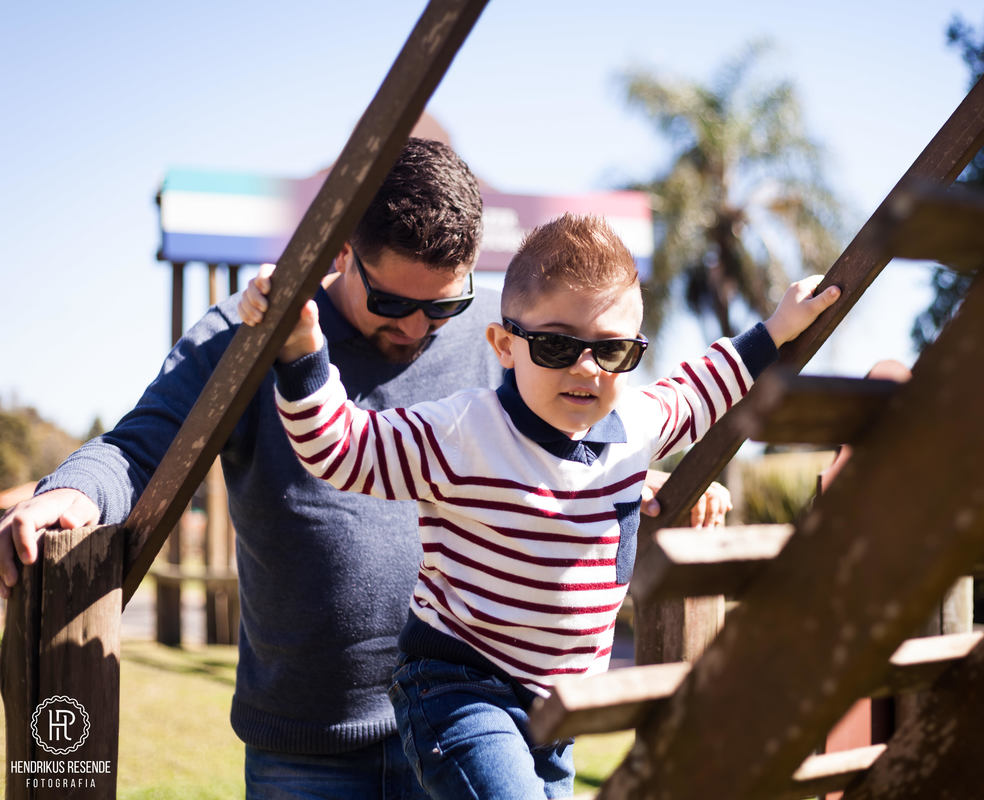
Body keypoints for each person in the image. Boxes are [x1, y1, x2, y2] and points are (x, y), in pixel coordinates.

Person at [0, 139, 728, 799]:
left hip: (478, 727)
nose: (415, 328)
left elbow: (565, 444)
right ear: (344, 251)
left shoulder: (507, 343)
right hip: (307, 748)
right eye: (391, 302)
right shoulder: (255, 335)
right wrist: (69, 490)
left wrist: (632, 481)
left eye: (443, 305)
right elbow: (141, 444)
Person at [245, 212, 841, 798]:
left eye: (612, 351)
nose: (587, 368)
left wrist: (779, 327)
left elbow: (704, 384)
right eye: (556, 345)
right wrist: (301, 349)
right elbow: (340, 448)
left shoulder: (634, 426)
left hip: (559, 716)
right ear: (505, 345)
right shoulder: (463, 432)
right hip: (460, 689)